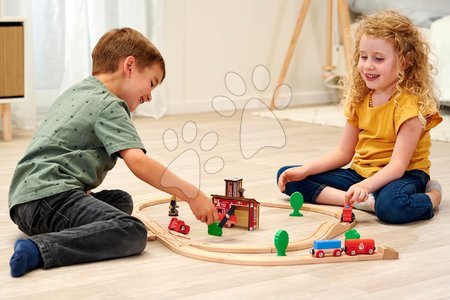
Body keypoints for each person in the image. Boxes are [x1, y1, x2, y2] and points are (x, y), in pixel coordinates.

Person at [8, 27, 219, 278]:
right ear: (129, 66)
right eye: (151, 83)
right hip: (50, 199)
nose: (150, 97)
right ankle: (38, 249)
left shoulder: (76, 92)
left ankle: (51, 230)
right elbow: (139, 163)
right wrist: (193, 196)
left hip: (24, 200)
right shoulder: (110, 105)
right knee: (131, 231)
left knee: (121, 200)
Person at [277, 11, 442, 224]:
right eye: (363, 57)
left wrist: (365, 186)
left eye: (378, 58)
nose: (368, 65)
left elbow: (397, 165)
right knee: (289, 176)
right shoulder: (360, 98)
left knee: (392, 206)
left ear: (405, 61)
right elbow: (343, 152)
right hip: (361, 173)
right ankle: (366, 202)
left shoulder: (410, 107)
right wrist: (306, 169)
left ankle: (433, 196)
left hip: (404, 176)